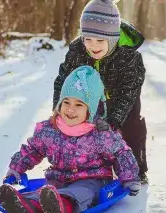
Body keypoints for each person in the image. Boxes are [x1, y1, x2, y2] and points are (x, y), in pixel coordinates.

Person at [0, 65, 141, 213]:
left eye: (79, 104)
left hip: (92, 181)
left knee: (80, 193)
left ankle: (60, 207)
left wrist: (129, 177)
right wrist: (16, 168)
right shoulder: (49, 130)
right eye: (66, 102)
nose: (70, 109)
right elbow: (32, 150)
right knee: (43, 193)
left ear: (90, 109)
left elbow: (121, 153)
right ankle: (24, 206)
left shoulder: (100, 134)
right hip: (58, 181)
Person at [52, 0, 148, 184]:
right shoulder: (77, 50)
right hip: (90, 96)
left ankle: (136, 168)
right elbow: (63, 79)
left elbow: (130, 90)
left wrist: (114, 120)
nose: (93, 46)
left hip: (122, 98)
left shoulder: (128, 56)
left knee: (130, 127)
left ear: (112, 38)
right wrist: (58, 107)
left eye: (100, 40)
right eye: (87, 39)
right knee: (84, 126)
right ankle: (87, 167)